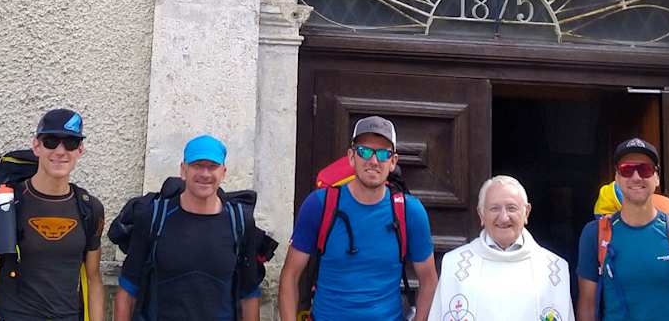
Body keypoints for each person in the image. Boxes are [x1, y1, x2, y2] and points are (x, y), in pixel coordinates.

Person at [278, 116, 438, 321]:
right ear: (351, 157)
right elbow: (290, 276)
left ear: (393, 162)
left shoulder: (410, 211)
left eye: (383, 153)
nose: (373, 161)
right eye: (364, 151)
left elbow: (428, 281)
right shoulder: (319, 205)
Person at [0, 108, 106, 321]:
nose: (60, 151)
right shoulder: (3, 204)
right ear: (36, 146)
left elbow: (93, 279)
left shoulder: (90, 209)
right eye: (51, 141)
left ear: (80, 150)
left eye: (71, 143)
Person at [114, 135, 264, 321]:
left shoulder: (240, 222)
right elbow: (127, 290)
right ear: (183, 170)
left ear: (223, 172)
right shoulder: (153, 217)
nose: (205, 174)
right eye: (197, 165)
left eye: (212, 166)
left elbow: (249, 295)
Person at [576, 138, 669, 321]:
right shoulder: (595, 234)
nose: (636, 177)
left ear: (657, 178)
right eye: (626, 169)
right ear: (617, 178)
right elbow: (587, 307)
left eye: (645, 169)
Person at [429, 175, 573, 321]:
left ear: (526, 212)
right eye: (494, 208)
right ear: (481, 214)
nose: (504, 217)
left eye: (511, 208)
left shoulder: (553, 269)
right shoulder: (455, 265)